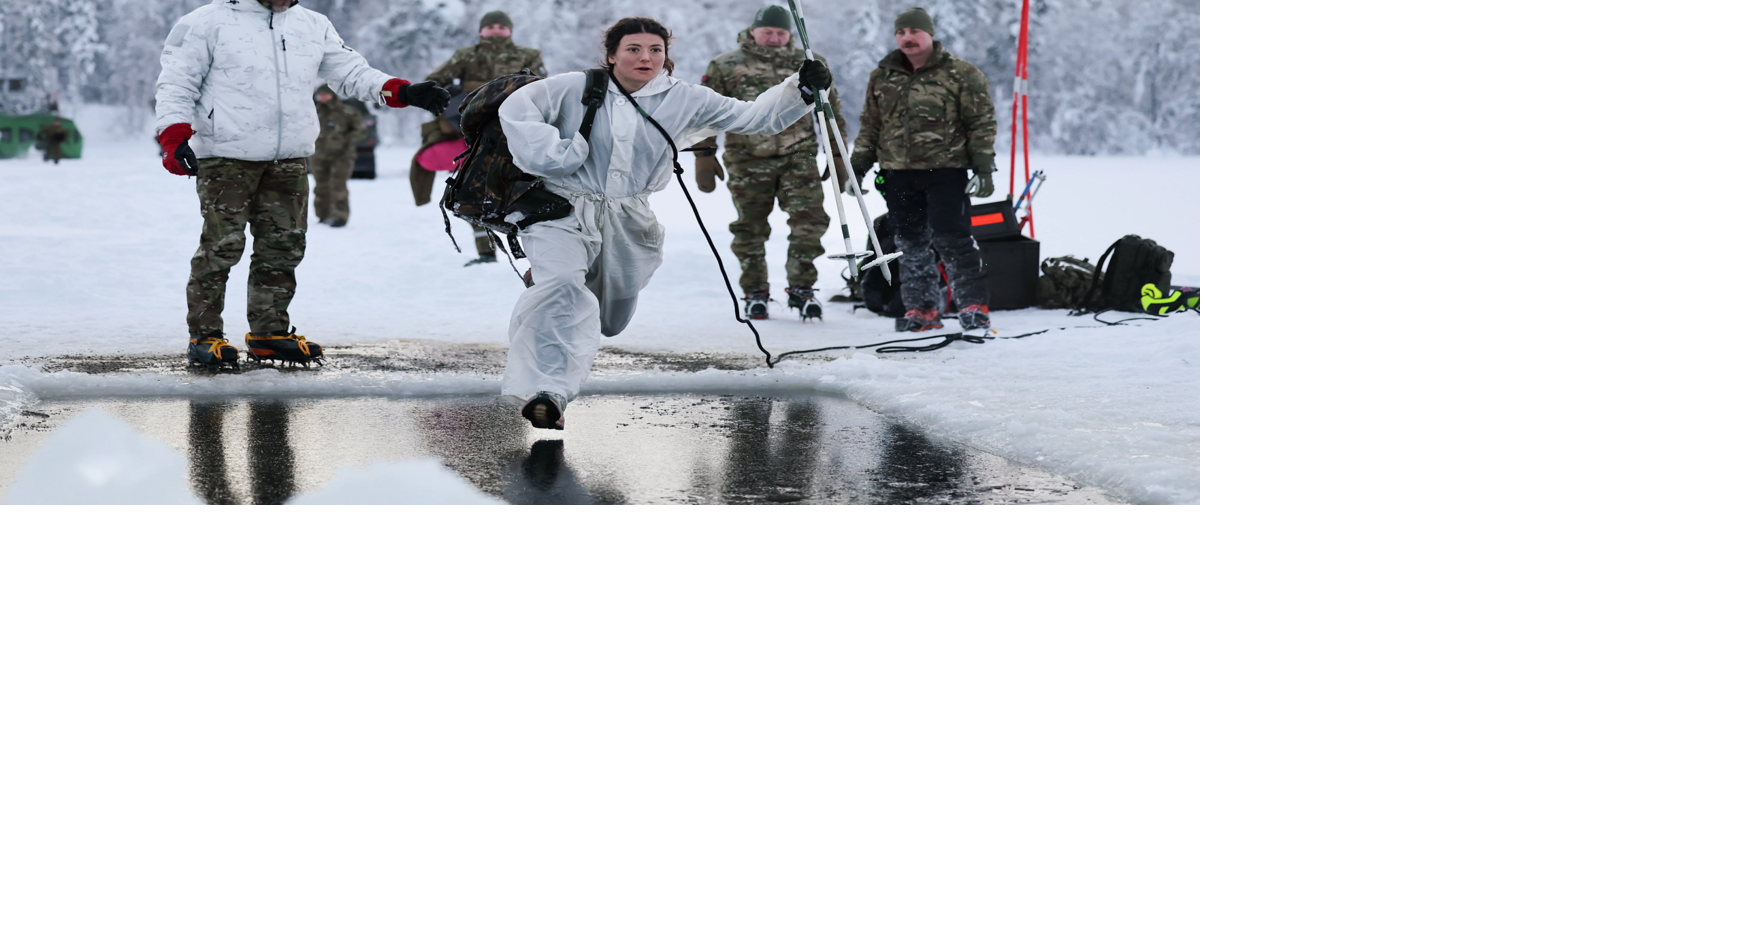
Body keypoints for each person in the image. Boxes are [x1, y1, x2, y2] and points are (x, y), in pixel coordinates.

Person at [497, 16, 830, 429]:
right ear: (612, 54)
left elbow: (753, 119)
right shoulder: (572, 87)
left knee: (610, 317)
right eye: (633, 49)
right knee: (561, 289)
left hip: (628, 219)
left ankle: (558, 292)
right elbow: (516, 108)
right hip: (561, 210)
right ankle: (548, 392)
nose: (645, 57)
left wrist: (799, 88)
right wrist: (553, 155)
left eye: (655, 50)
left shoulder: (684, 98)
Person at [155, 0, 447, 368]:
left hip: (288, 157)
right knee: (221, 246)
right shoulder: (205, 22)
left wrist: (400, 91)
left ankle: (268, 334)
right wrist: (173, 135)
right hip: (227, 155)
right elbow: (177, 82)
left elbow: (350, 72)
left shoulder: (312, 24)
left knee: (284, 246)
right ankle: (205, 336)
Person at [849, 8, 996, 333]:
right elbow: (871, 127)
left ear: (930, 34)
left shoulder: (961, 73)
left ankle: (973, 306)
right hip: (898, 173)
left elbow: (981, 123)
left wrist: (984, 168)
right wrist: (857, 168)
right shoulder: (882, 76)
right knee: (910, 244)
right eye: (901, 32)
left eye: (914, 31)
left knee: (953, 239)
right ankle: (922, 309)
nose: (907, 37)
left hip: (946, 171)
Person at [699, 5, 848, 321]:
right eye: (768, 32)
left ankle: (802, 289)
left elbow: (830, 109)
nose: (774, 38)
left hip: (799, 154)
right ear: (753, 30)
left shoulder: (808, 63)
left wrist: (837, 154)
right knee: (750, 228)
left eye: (781, 32)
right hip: (747, 157)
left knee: (808, 223)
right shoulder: (726, 65)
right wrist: (704, 152)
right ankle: (755, 292)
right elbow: (707, 111)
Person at [414, 10, 546, 266]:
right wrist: (442, 96)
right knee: (471, 192)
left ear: (509, 30)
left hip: (518, 127)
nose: (495, 30)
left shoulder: (528, 55)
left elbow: (544, 86)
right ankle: (486, 252)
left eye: (501, 26)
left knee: (525, 190)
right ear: (481, 31)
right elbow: (434, 80)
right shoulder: (466, 55)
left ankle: (537, 254)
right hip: (473, 129)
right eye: (490, 26)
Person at [310, 85, 367, 227]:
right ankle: (323, 215)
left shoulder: (346, 112)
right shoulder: (312, 112)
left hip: (342, 156)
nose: (322, 97)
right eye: (320, 94)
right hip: (318, 155)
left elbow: (360, 130)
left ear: (332, 95)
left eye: (325, 94)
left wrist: (345, 142)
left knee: (338, 186)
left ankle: (340, 216)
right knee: (321, 187)